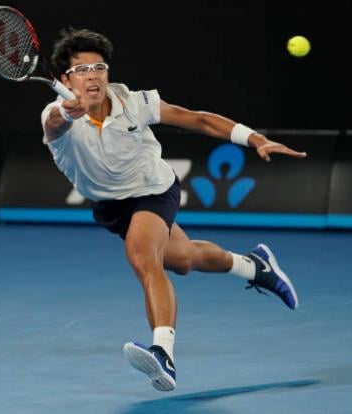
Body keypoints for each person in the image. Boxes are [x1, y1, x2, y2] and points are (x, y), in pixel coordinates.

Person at [42, 28, 307, 392]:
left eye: (99, 67)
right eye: (82, 70)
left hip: (154, 191)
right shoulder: (55, 116)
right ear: (63, 80)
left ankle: (163, 354)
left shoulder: (134, 102)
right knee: (181, 260)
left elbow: (197, 118)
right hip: (111, 207)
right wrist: (67, 113)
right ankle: (255, 266)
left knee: (142, 257)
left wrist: (255, 138)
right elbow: (54, 125)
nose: (93, 76)